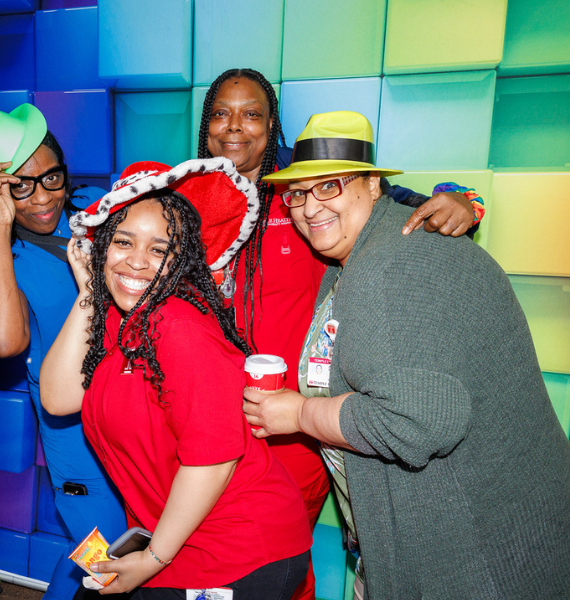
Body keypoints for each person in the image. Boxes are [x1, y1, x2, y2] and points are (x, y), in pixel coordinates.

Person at [245, 110, 570, 599]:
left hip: (473, 560)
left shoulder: (393, 264)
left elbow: (416, 422)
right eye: (298, 194)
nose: (310, 208)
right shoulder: (356, 255)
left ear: (374, 186)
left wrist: (300, 413)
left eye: (329, 186)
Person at [196, 68, 485, 600]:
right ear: (205, 122)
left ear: (271, 124)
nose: (235, 127)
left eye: (252, 114)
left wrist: (463, 198)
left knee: (281, 554)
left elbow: (408, 203)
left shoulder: (306, 183)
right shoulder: (189, 191)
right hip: (212, 415)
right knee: (219, 554)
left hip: (296, 422)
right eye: (221, 113)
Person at [41, 159, 312, 600]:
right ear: (102, 244)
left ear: (181, 260)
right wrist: (90, 292)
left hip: (238, 550)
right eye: (123, 242)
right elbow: (58, 398)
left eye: (159, 249)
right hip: (177, 537)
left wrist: (152, 559)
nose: (136, 262)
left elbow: (213, 459)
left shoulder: (179, 326)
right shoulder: (125, 318)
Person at [0, 105, 127, 600]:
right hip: (74, 431)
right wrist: (2, 229)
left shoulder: (98, 207)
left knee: (108, 544)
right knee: (102, 551)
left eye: (49, 177)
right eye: (18, 186)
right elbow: (4, 343)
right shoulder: (4, 264)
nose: (42, 197)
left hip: (130, 407)